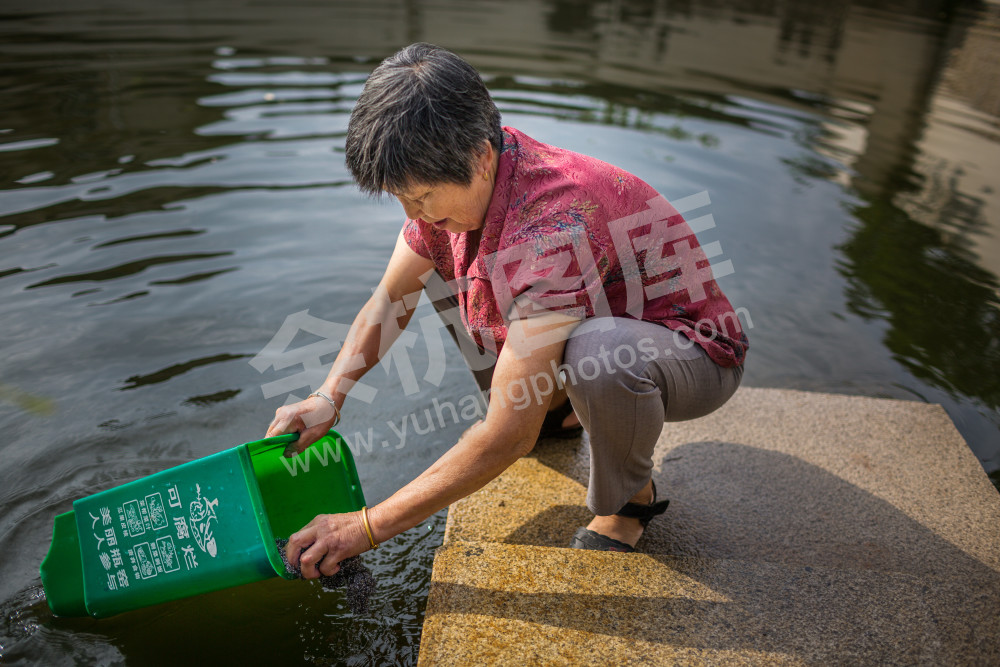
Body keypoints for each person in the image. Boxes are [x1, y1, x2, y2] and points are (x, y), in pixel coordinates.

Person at [267, 43, 748, 577]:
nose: (412, 213)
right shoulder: (469, 175)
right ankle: (558, 409)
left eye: (422, 196)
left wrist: (365, 525)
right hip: (589, 314)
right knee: (436, 268)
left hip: (688, 350)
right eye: (400, 199)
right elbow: (389, 300)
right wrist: (327, 397)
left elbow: (507, 438)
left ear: (480, 156)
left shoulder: (553, 230)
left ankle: (631, 498)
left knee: (601, 352)